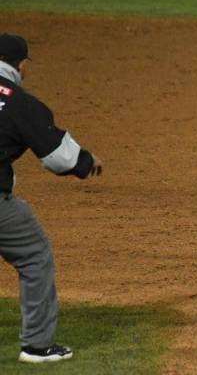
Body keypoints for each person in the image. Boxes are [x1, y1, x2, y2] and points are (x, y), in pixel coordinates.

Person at [0, 33, 103, 363]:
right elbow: (60, 158)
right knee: (34, 255)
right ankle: (37, 346)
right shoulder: (20, 103)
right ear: (22, 65)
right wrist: (86, 161)